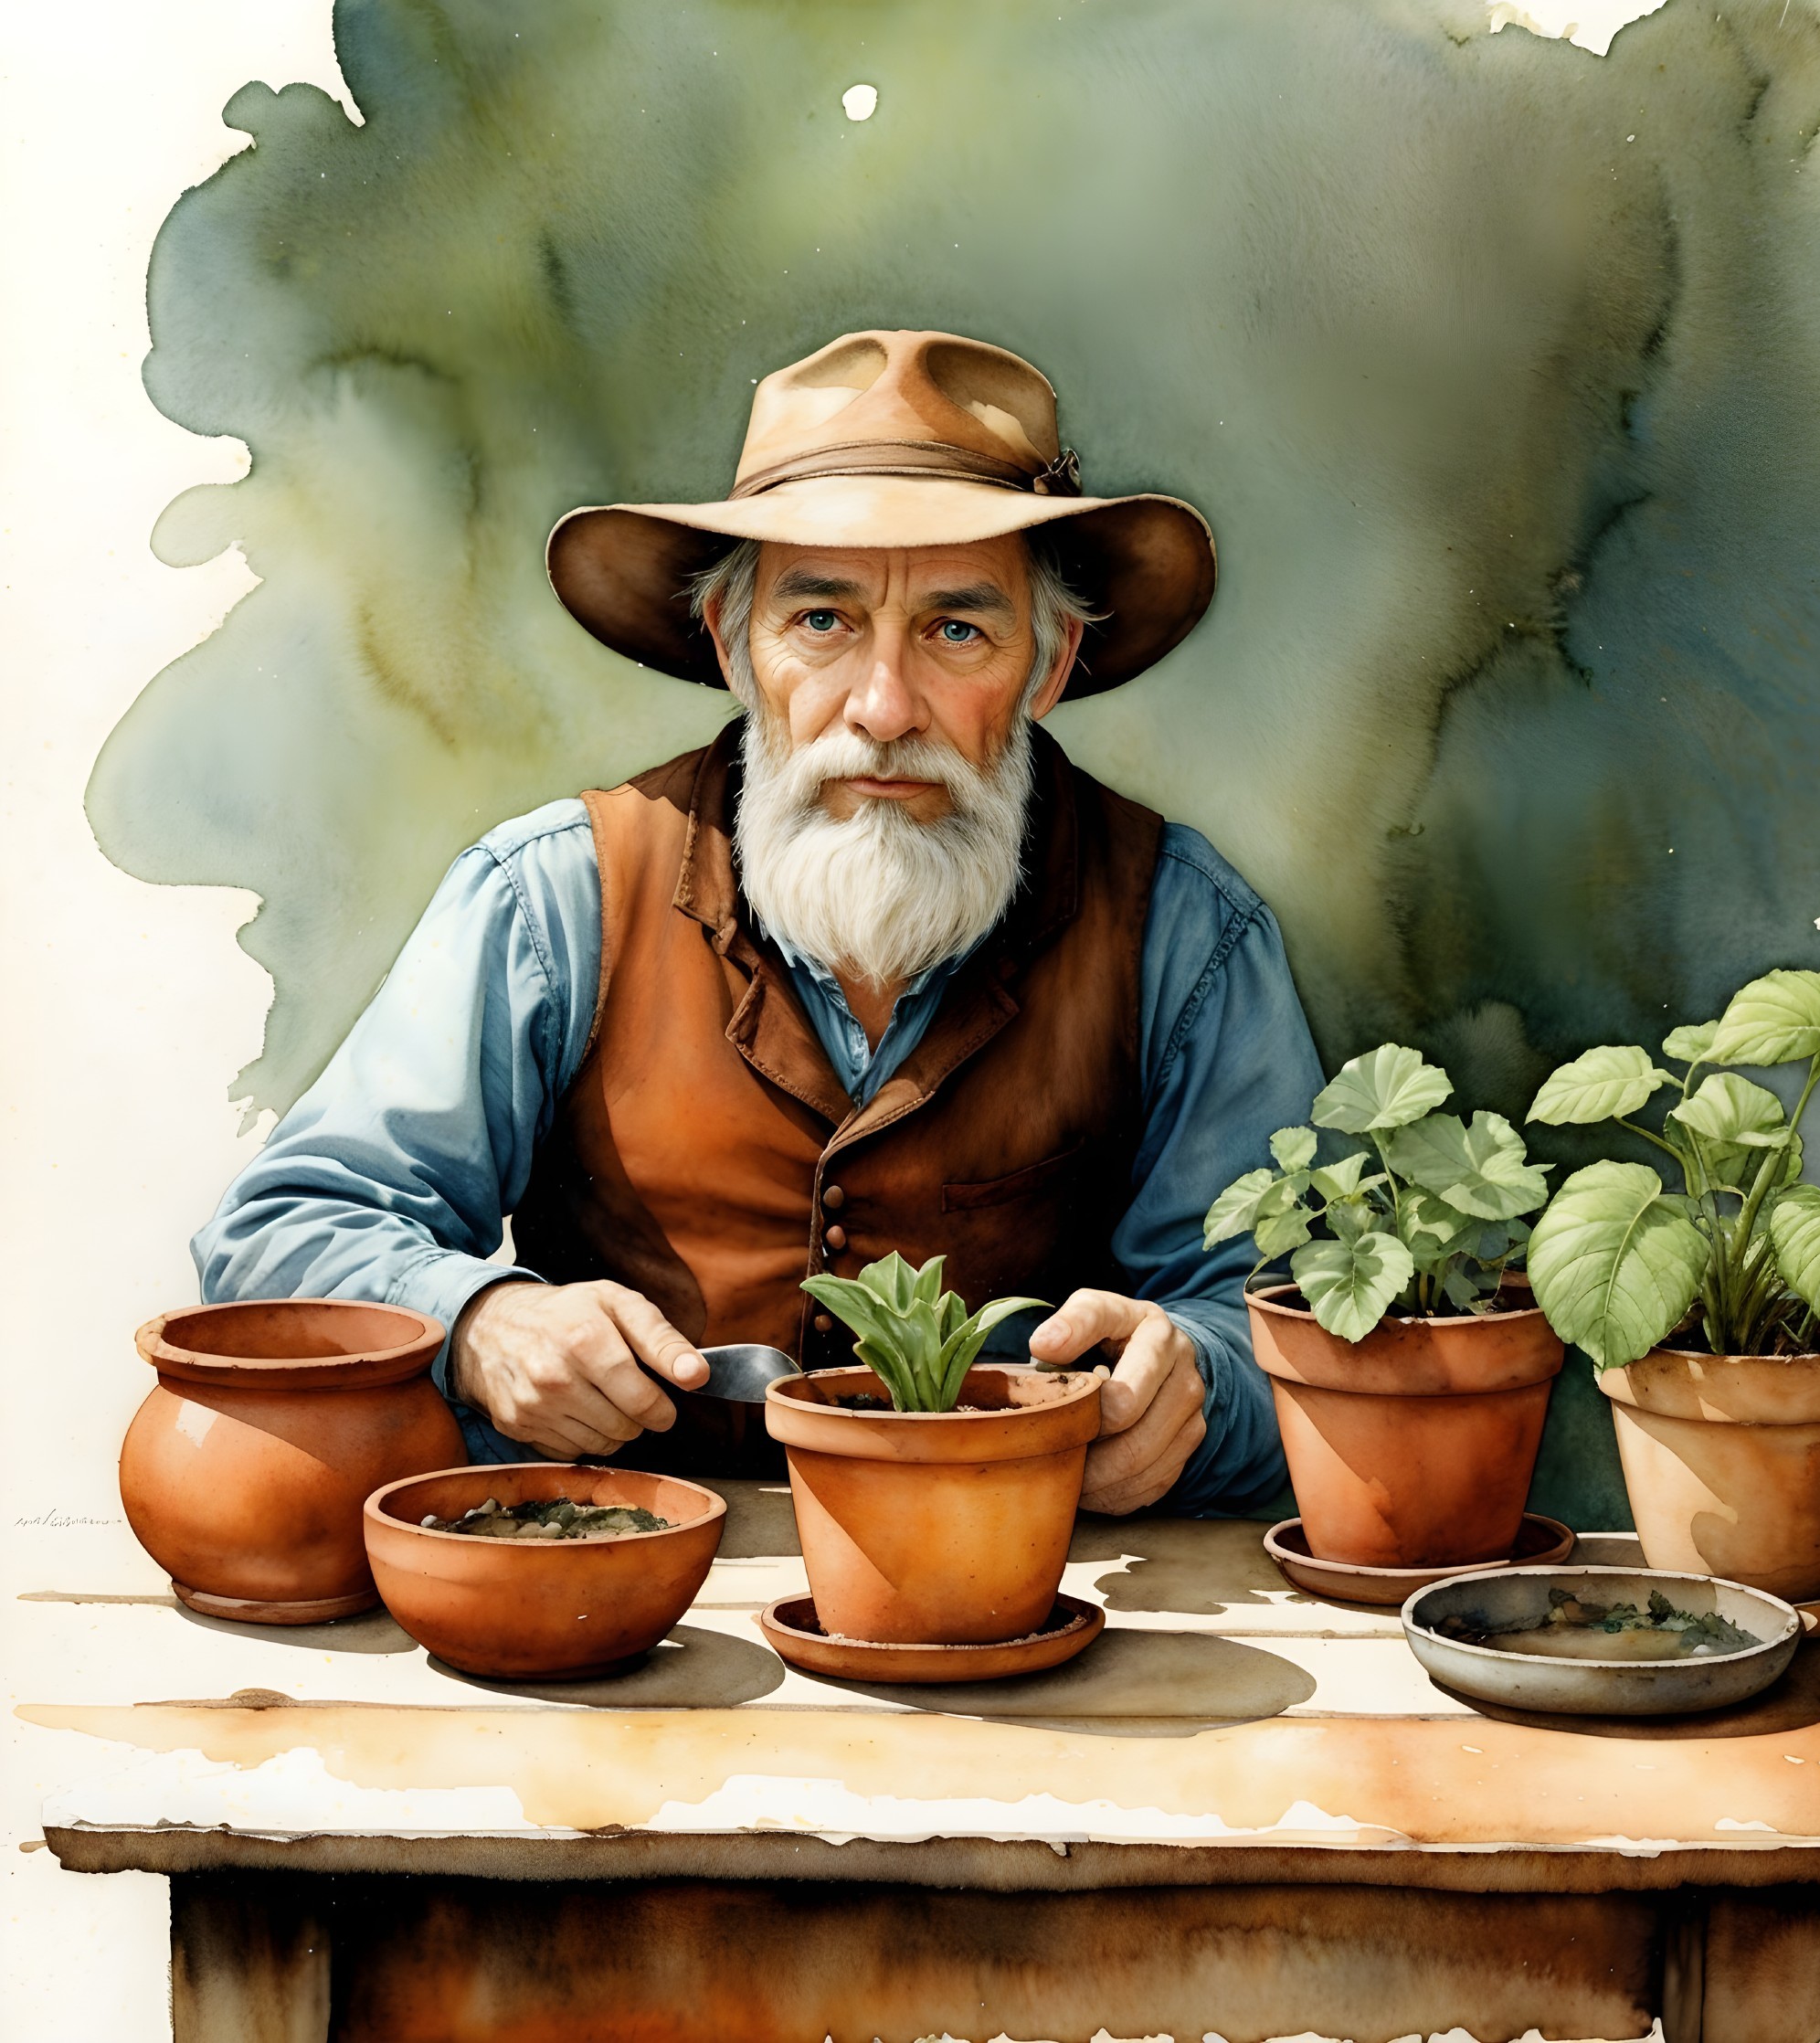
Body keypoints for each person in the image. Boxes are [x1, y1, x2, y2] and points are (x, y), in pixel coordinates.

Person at [194, 329, 1323, 1515]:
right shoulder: (557, 896)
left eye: (956, 631)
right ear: (735, 646)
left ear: (1047, 666)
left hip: (1013, 1596)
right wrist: (485, 1320)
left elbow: (1293, 1325)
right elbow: (282, 1229)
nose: (883, 711)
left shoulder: (1185, 931)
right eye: (823, 623)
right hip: (614, 1595)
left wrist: (1197, 1390)